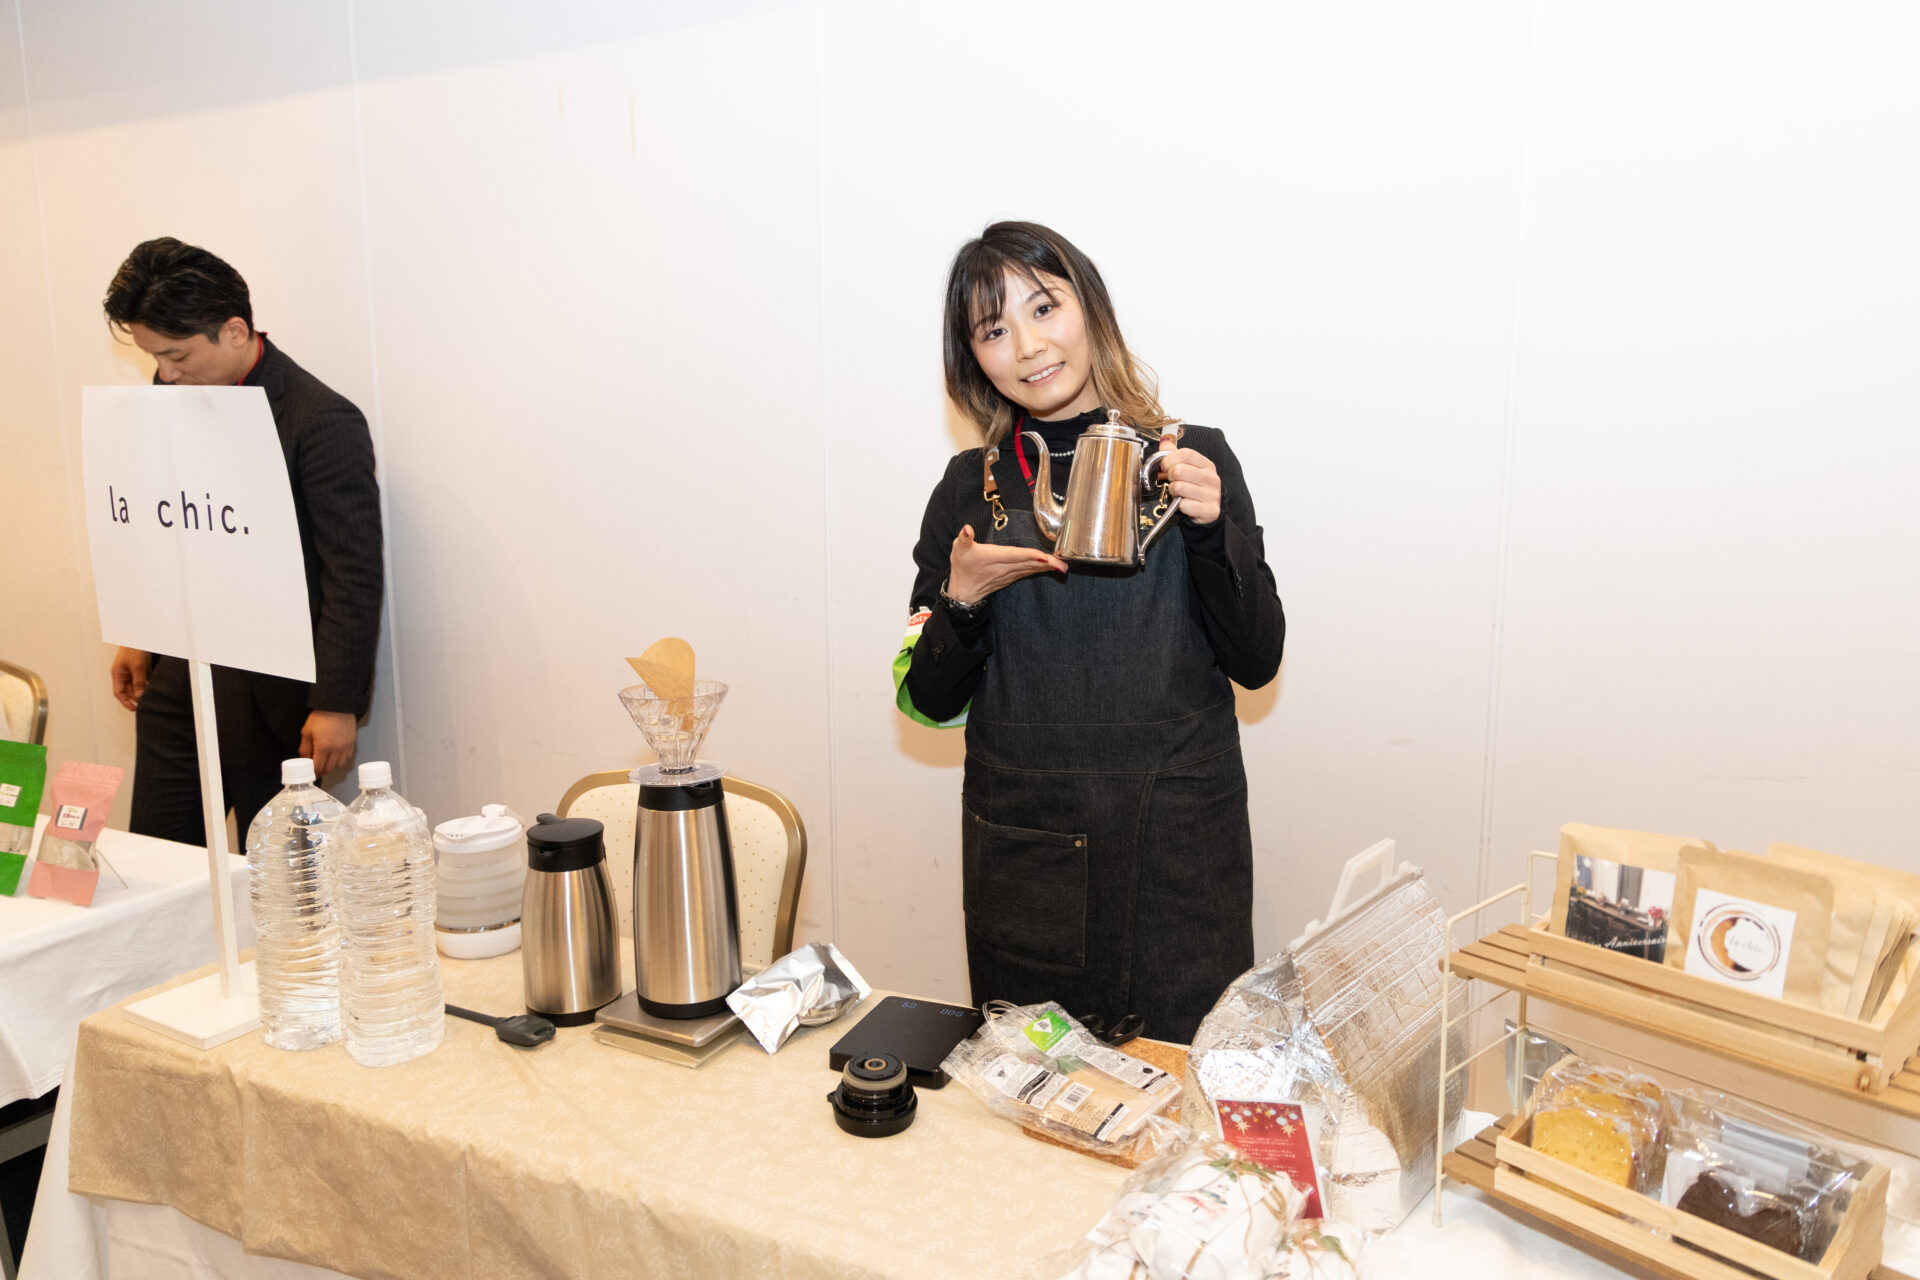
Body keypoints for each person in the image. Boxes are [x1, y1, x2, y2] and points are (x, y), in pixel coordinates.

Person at [896, 222, 1285, 1044]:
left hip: (1180, 845)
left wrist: (1209, 528)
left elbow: (1257, 660)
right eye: (994, 329)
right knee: (1038, 1087)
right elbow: (925, 701)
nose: (1028, 345)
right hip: (1025, 850)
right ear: (973, 360)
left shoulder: (1191, 460)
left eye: (1044, 308)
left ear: (1091, 309)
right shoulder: (969, 489)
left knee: (1187, 1078)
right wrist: (961, 601)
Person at [102, 237, 384, 842]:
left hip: (275, 696)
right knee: (160, 855)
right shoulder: (170, 393)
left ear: (234, 330)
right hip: (181, 672)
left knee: (280, 875)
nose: (166, 373)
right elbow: (166, 523)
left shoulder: (320, 419)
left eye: (176, 354)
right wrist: (139, 634)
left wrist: (336, 703)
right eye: (155, 357)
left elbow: (353, 573)